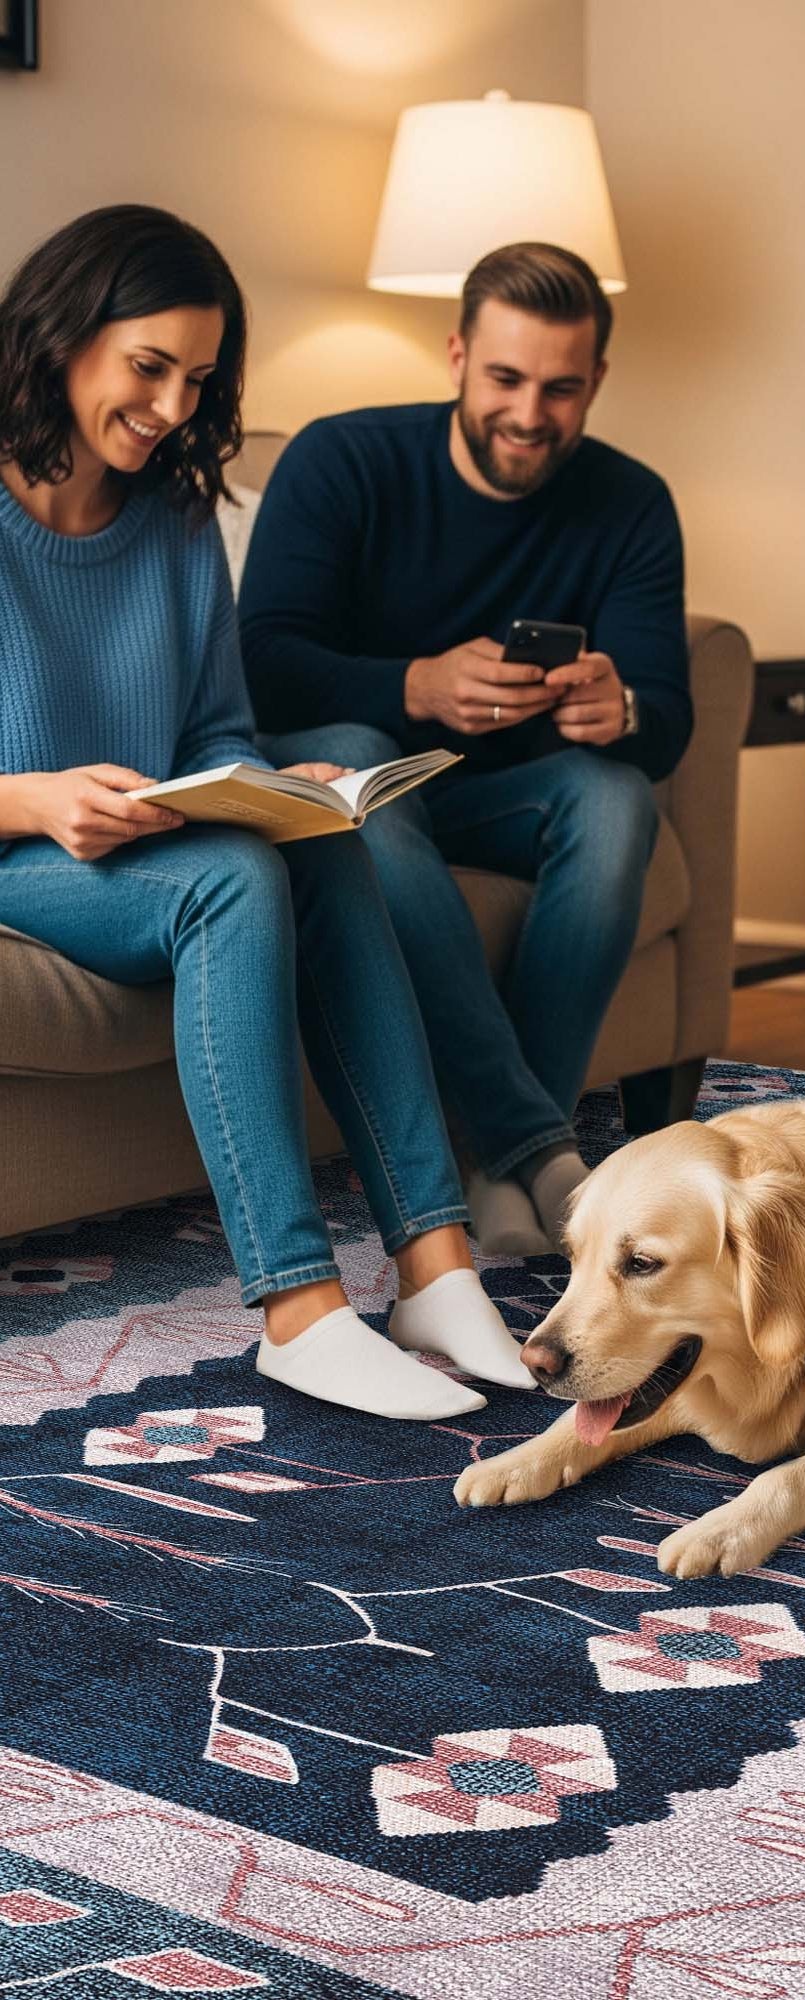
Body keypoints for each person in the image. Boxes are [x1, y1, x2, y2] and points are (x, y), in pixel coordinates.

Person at [0, 204, 535, 1419]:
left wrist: (267, 786)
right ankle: (296, 1307)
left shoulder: (178, 512)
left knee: (314, 843)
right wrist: (31, 798)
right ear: (61, 335)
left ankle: (434, 1263)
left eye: (198, 379)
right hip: (16, 845)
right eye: (148, 368)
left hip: (134, 842)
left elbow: (212, 731)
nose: (174, 408)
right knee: (234, 878)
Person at [238, 242, 691, 1256]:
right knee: (361, 755)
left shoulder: (630, 502)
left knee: (616, 795)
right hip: (351, 771)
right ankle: (536, 1145)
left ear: (596, 383)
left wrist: (621, 709)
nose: (530, 414)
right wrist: (413, 682)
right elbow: (260, 662)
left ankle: (496, 1161)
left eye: (561, 388)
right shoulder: (341, 459)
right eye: (505, 378)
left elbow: (667, 712)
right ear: (455, 356)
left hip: (500, 794)